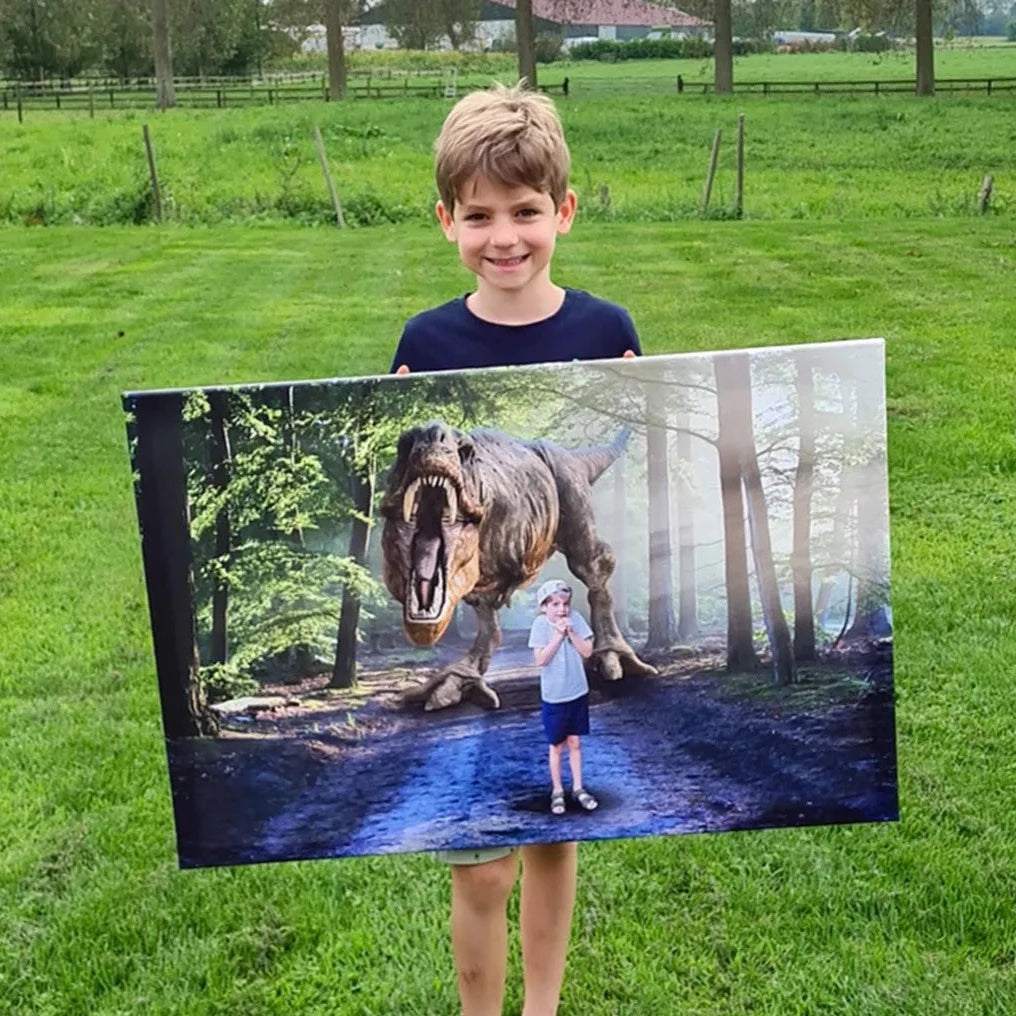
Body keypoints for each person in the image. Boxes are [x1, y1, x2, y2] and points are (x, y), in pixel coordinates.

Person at [390, 82, 641, 1016]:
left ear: (563, 213)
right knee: (478, 867)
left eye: (527, 212)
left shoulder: (605, 332)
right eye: (480, 215)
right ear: (447, 218)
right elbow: (425, 515)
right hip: (484, 558)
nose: (505, 237)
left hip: (540, 509)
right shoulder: (425, 342)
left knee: (549, 838)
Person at [529, 579, 599, 817]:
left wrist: (571, 632)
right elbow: (541, 660)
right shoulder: (540, 625)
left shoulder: (576, 619)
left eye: (565, 603)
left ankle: (578, 788)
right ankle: (557, 790)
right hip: (554, 696)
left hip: (577, 690)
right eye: (556, 604)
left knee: (575, 743)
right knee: (556, 746)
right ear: (544, 607)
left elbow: (587, 651)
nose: (562, 609)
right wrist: (558, 635)